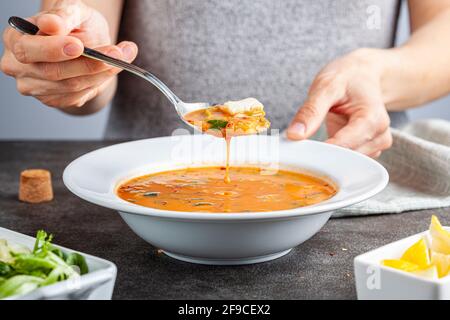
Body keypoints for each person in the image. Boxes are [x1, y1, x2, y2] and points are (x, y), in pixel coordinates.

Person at [1, 0, 450, 158]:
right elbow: (81, 14)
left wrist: (379, 73)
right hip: (146, 198)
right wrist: (77, 58)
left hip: (358, 185)